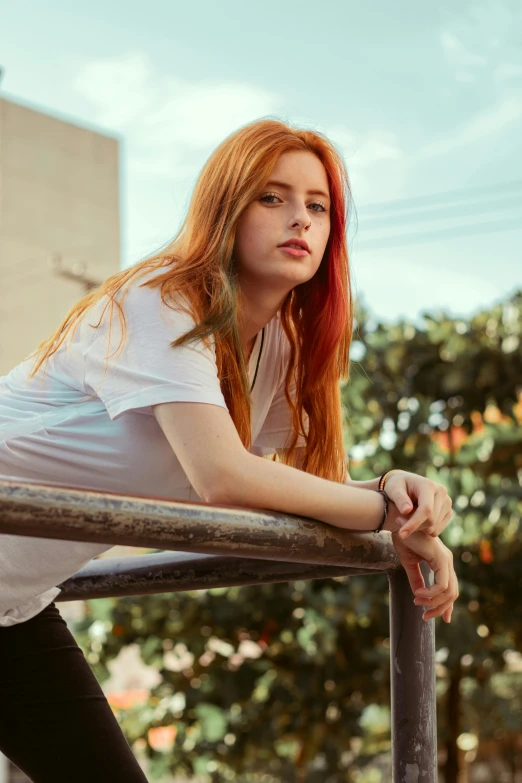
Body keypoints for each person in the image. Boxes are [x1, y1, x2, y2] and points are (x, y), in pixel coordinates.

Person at [0, 118, 458, 781]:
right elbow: (220, 474)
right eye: (271, 197)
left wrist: (403, 501)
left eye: (318, 205)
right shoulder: (163, 300)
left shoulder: (280, 347)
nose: (298, 218)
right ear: (225, 209)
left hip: (13, 610)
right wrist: (387, 511)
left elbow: (302, 492)